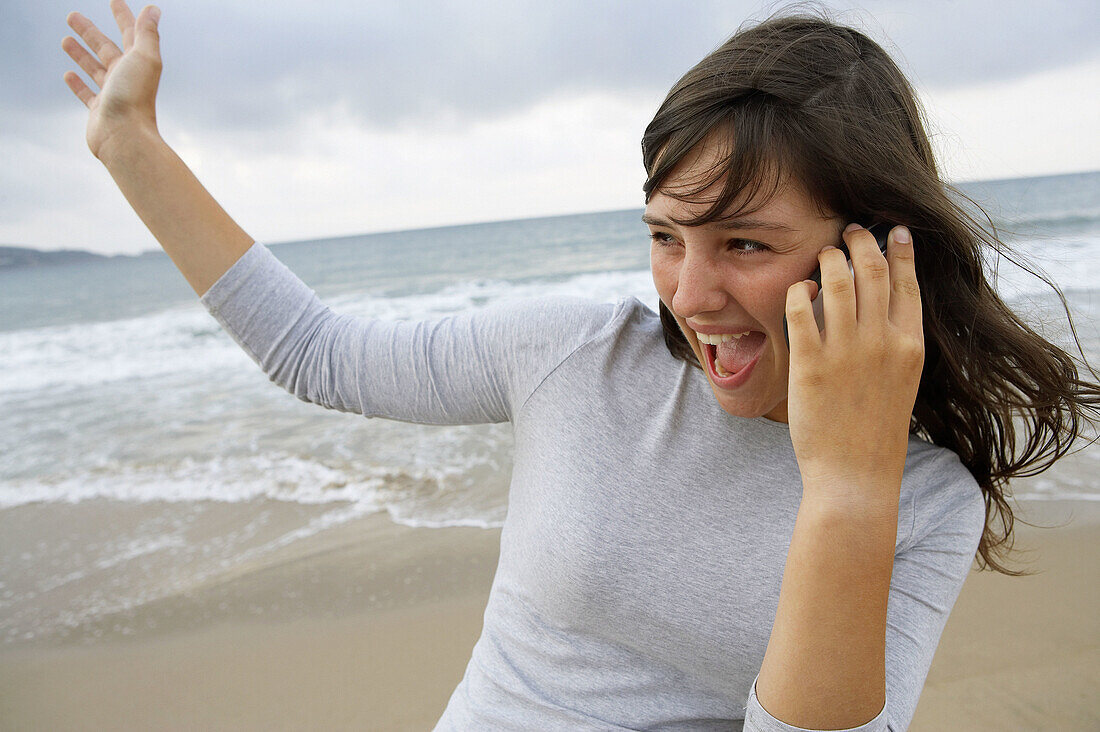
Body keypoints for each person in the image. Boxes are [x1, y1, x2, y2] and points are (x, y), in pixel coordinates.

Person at [62, 3, 1099, 730]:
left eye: (741, 244)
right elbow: (319, 354)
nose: (687, 295)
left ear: (872, 251)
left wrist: (844, 487)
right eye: (663, 236)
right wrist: (130, 144)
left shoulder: (916, 500)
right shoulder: (574, 356)